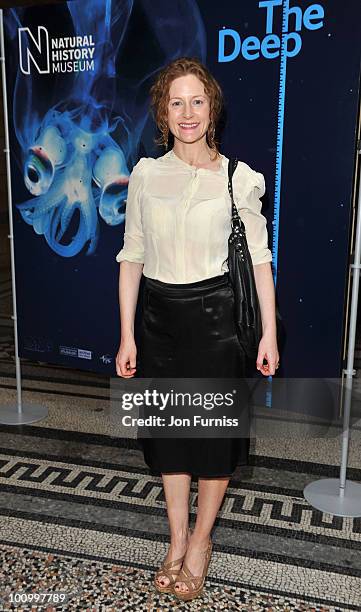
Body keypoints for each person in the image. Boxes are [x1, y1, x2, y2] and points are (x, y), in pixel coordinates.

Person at [115, 56, 279, 602]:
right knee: (168, 439)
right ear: (163, 111)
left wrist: (269, 336)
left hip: (217, 323)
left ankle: (202, 543)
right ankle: (176, 538)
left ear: (213, 108)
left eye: (197, 101)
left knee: (212, 442)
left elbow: (259, 262)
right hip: (159, 321)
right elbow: (132, 256)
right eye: (176, 102)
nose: (187, 112)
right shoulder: (144, 174)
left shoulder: (239, 178)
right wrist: (127, 335)